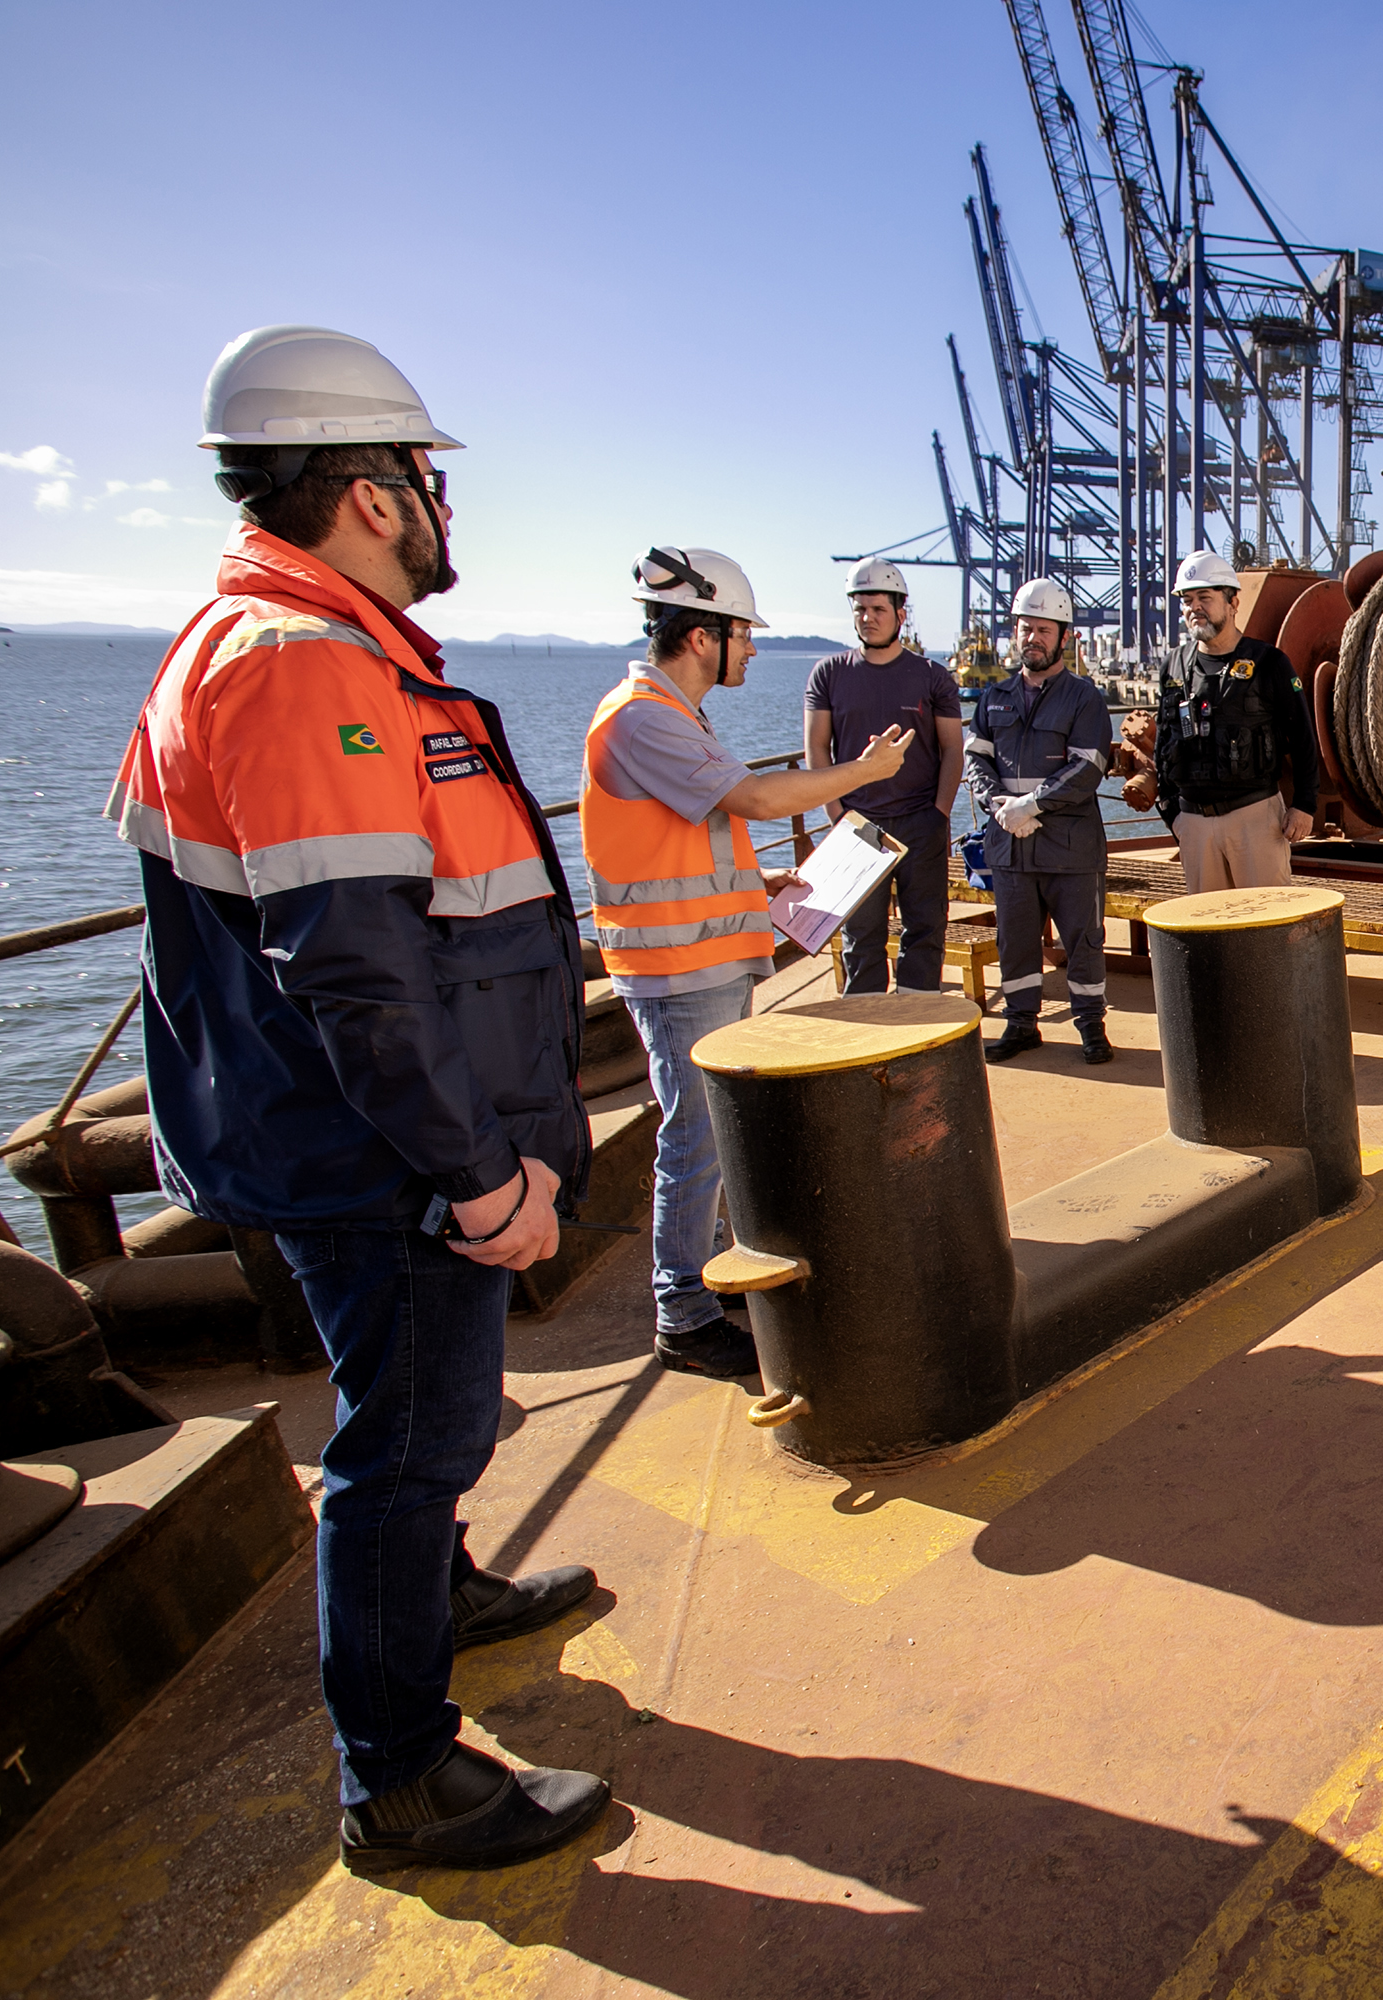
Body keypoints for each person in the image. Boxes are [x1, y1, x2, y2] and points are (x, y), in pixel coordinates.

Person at [109, 326, 604, 1869]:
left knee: (417, 1441)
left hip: (369, 1141)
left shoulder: (306, 646)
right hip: (383, 1164)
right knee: (404, 1449)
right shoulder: (297, 663)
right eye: (429, 478)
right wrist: (476, 1177)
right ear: (377, 494)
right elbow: (356, 975)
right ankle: (395, 1777)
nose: (445, 507)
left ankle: (440, 1594)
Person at [581, 547, 912, 1379]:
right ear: (702, 636)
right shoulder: (641, 716)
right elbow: (758, 800)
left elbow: (686, 837)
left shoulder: (673, 714)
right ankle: (682, 1314)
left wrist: (755, 876)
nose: (755, 650)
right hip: (678, 972)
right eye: (743, 635)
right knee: (694, 1136)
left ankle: (706, 1275)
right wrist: (865, 772)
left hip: (709, 961)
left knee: (712, 1132)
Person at [970, 575, 1116, 1064]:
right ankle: (1021, 1024)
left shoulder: (1084, 699)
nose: (1031, 638)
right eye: (1024, 628)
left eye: (1043, 630)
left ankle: (1091, 1025)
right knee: (1014, 939)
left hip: (1069, 847)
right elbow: (977, 762)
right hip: (1011, 847)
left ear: (1065, 637)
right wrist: (1001, 809)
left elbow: (1088, 767)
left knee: (1083, 938)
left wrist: (1031, 805)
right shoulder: (993, 698)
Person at [803, 558, 964, 993]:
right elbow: (817, 747)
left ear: (900, 613)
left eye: (877, 609)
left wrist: (939, 812)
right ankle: (870, 1033)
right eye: (859, 609)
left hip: (920, 821)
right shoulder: (829, 674)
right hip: (857, 825)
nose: (868, 618)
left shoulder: (932, 677)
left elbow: (953, 749)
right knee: (861, 940)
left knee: (925, 932)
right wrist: (837, 813)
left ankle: (919, 1026)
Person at [1155, 549, 1319, 890]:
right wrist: (1172, 815)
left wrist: (1304, 804)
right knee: (1208, 933)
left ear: (1233, 603)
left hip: (1254, 818)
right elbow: (1162, 744)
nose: (1194, 607)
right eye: (1186, 600)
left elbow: (1303, 737)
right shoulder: (1173, 667)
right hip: (1194, 824)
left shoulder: (1269, 663)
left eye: (1204, 597)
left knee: (1266, 926)